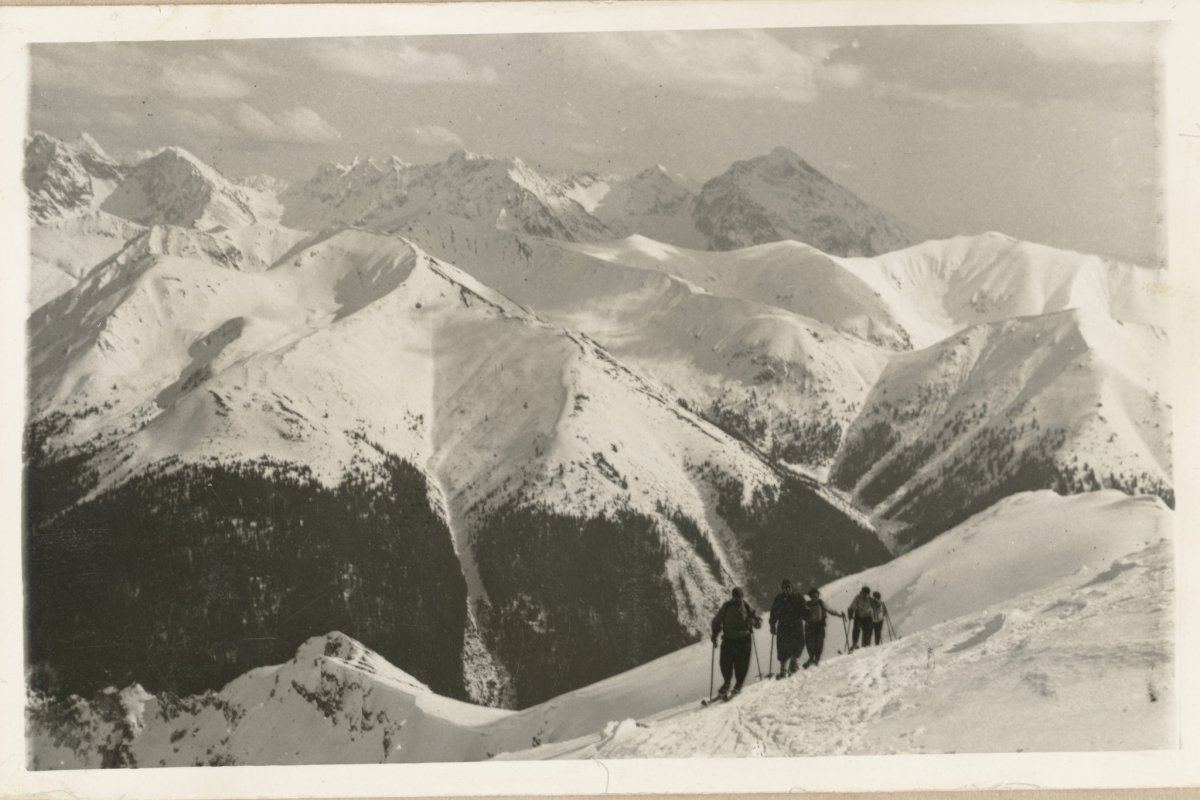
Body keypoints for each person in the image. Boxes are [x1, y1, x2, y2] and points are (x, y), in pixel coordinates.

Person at [711, 586, 762, 699]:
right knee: (725, 663)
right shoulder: (727, 606)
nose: (737, 599)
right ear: (732, 597)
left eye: (739, 597)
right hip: (729, 640)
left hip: (744, 639)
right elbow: (717, 620)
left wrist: (752, 621)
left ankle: (738, 684)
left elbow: (757, 621)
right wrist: (715, 633)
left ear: (742, 597)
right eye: (735, 597)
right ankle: (727, 683)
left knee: (742, 664)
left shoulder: (747, 606)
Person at [769, 579, 805, 677]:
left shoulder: (798, 597)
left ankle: (793, 663)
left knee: (798, 644)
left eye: (788, 587)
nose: (787, 589)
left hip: (796, 625)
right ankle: (783, 669)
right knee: (783, 647)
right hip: (784, 626)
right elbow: (773, 613)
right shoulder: (779, 599)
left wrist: (808, 616)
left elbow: (804, 609)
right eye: (785, 588)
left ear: (791, 587)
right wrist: (772, 624)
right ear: (782, 589)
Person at [801, 588, 844, 668]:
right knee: (810, 642)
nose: (814, 597)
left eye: (816, 595)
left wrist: (839, 615)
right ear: (810, 596)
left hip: (819, 625)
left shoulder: (820, 603)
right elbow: (801, 613)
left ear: (818, 596)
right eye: (813, 596)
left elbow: (830, 610)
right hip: (810, 625)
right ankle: (812, 657)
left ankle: (816, 658)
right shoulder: (807, 604)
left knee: (819, 642)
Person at [848, 586, 874, 651]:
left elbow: (875, 606)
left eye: (866, 593)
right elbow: (853, 605)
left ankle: (865, 644)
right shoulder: (858, 597)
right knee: (856, 628)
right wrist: (851, 612)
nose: (865, 595)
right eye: (864, 593)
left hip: (868, 616)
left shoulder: (870, 599)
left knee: (867, 631)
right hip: (859, 616)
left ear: (868, 593)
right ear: (862, 592)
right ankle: (854, 644)